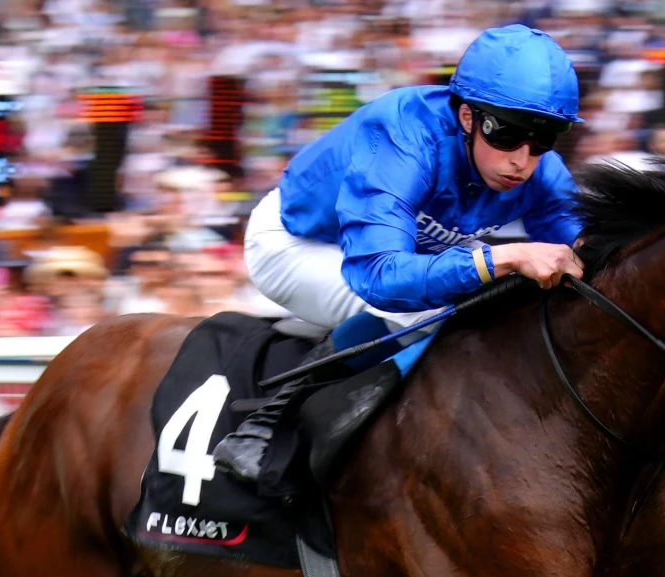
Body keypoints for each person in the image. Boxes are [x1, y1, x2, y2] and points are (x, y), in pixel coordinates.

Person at [213, 24, 586, 485]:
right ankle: (267, 425)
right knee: (429, 310)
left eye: (545, 138)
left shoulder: (539, 172)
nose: (523, 160)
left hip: (403, 247)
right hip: (298, 242)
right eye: (507, 135)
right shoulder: (405, 137)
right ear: (467, 117)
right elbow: (380, 277)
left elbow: (585, 249)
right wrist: (501, 259)